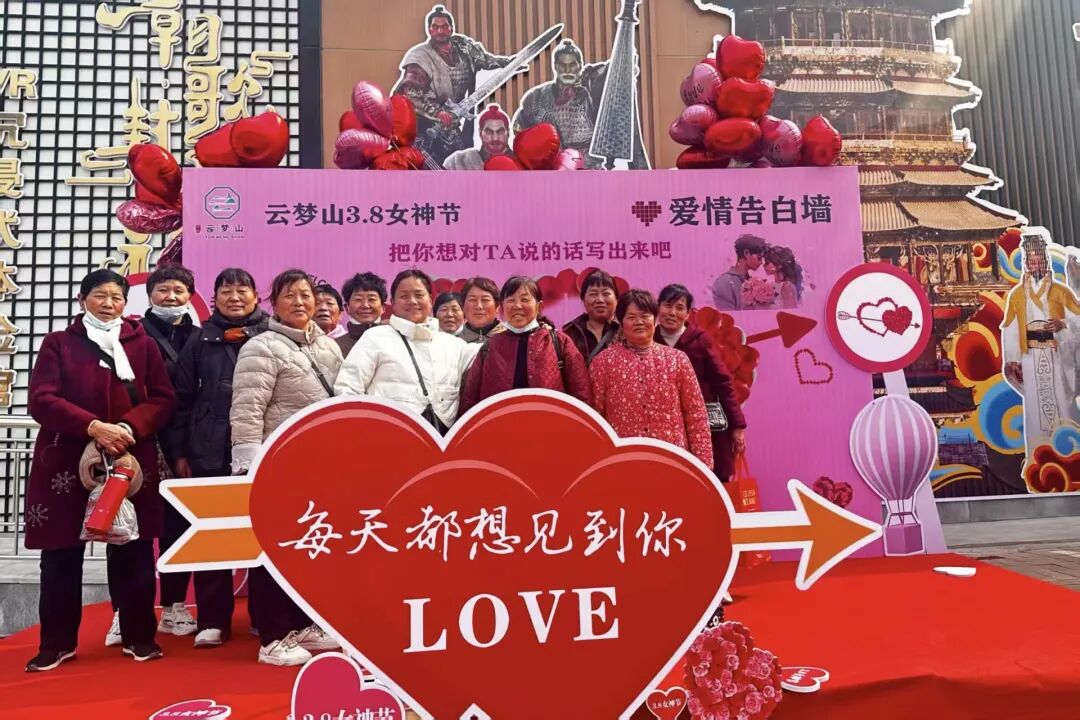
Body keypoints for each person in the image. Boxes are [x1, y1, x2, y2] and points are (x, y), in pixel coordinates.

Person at [24, 269, 176, 671]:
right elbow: (41, 399)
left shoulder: (142, 344)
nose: (108, 304)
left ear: (126, 304)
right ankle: (56, 643)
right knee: (60, 555)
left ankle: (139, 636)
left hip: (129, 455)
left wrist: (126, 428)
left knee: (133, 550)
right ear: (82, 300)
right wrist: (92, 427)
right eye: (99, 296)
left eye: (116, 297)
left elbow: (163, 398)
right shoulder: (58, 343)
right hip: (65, 459)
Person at [230, 269, 343, 666]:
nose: (299, 302)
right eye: (289, 295)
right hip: (277, 464)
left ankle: (303, 623)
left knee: (310, 547)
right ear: (273, 304)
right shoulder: (261, 347)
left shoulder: (328, 347)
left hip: (322, 466)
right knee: (274, 550)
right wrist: (248, 465)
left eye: (306, 295)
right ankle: (273, 636)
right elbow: (247, 410)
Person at [169, 268, 270, 648]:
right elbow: (181, 401)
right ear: (215, 298)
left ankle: (265, 615)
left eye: (243, 289)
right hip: (210, 449)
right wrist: (180, 452)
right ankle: (213, 619)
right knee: (214, 535)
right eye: (226, 290)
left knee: (265, 532)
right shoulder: (200, 340)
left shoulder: (272, 336)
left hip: (261, 449)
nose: (235, 297)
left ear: (256, 297)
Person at [334, 269, 479, 433]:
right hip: (388, 436)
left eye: (419, 295)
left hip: (443, 438)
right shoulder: (375, 337)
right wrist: (364, 432)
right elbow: (347, 389)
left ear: (430, 300)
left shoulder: (453, 345)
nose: (412, 301)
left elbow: (489, 354)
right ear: (392, 303)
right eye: (404, 296)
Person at [138, 265, 199, 642]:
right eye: (163, 290)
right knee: (134, 531)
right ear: (150, 295)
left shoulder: (201, 336)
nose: (171, 297)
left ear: (190, 296)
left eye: (179, 290)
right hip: (142, 439)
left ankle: (174, 604)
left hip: (187, 445)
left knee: (180, 527)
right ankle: (127, 610)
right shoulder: (133, 334)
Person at [590, 289, 713, 468]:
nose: (639, 322)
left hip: (674, 463)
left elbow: (696, 415)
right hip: (624, 464)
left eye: (645, 316)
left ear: (655, 320)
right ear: (620, 322)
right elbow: (596, 418)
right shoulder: (603, 362)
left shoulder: (677, 360)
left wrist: (703, 467)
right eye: (631, 317)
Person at [392, 5, 516, 165]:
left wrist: (509, 63)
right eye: (435, 27)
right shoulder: (420, 57)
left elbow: (485, 60)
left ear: (451, 28)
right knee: (428, 166)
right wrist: (437, 112)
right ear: (429, 30)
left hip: (453, 118)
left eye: (444, 26)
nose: (440, 31)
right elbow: (410, 93)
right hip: (422, 123)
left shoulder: (463, 47)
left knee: (460, 162)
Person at [460, 276, 591, 415]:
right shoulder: (490, 347)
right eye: (511, 300)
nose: (517, 306)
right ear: (502, 307)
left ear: (539, 306)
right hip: (499, 426)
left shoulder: (559, 342)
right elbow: (469, 400)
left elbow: (582, 395)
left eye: (525, 300)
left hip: (550, 425)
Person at [656, 284, 746, 481]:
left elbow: (723, 382)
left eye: (679, 308)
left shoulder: (700, 340)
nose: (672, 313)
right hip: (665, 425)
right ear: (658, 307)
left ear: (688, 313)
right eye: (667, 305)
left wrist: (738, 425)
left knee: (711, 479)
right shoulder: (650, 339)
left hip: (706, 423)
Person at [513, 39, 650, 169]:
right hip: (553, 173)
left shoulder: (590, 88)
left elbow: (611, 71)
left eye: (572, 65)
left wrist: (625, 62)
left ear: (580, 65)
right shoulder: (536, 98)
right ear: (555, 66)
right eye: (562, 65)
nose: (567, 70)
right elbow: (519, 132)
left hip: (591, 172)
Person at [1001, 234, 1080, 456]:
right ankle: (1039, 455)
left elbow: (1078, 319)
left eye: (1040, 260)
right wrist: (1013, 359)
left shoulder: (1060, 291)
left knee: (1062, 405)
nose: (1036, 265)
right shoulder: (1017, 295)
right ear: (1026, 263)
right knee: (1036, 408)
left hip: (1057, 356)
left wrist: (1063, 324)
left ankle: (1070, 453)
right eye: (1032, 261)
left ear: (1046, 261)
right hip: (1030, 358)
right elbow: (1011, 328)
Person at [563, 269, 620, 365]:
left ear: (616, 299)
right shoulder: (570, 332)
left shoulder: (626, 330)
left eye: (606, 294)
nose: (600, 300)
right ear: (583, 300)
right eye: (593, 294)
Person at [443, 104, 515, 171]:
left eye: (500, 131)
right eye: (489, 132)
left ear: (508, 133)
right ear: (480, 133)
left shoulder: (518, 162)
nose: (495, 138)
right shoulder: (458, 161)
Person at [337, 272, 387, 358]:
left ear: (383, 307)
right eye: (358, 299)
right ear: (347, 308)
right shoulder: (335, 347)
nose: (365, 305)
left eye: (371, 299)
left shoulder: (396, 341)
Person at [712, 235, 767, 311]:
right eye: (759, 258)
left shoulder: (752, 281)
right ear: (747, 253)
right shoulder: (724, 282)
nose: (761, 262)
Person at [459, 277, 505, 343]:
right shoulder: (453, 342)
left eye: (485, 300)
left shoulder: (511, 339)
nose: (479, 306)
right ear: (463, 306)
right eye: (472, 300)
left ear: (497, 306)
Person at [763, 245, 803, 309]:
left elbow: (791, 312)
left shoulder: (787, 286)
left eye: (767, 263)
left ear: (779, 265)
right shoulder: (771, 285)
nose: (764, 266)